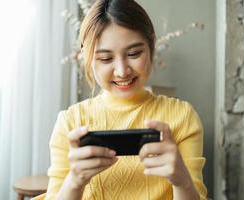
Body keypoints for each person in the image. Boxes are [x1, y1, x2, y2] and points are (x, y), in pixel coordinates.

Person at [38, 0, 207, 199]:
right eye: (105, 59)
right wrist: (75, 181)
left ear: (151, 46)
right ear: (87, 57)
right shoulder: (70, 123)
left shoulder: (182, 117)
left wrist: (182, 180)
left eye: (134, 53)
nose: (122, 71)